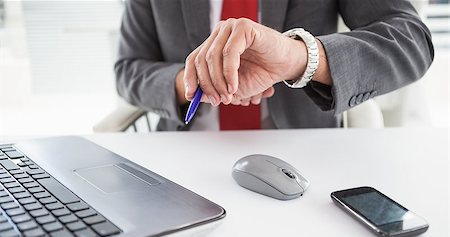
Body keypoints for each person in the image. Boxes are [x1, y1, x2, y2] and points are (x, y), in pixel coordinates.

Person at [115, 0, 434, 131]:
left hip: (304, 157)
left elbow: (410, 39)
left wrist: (300, 58)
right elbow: (128, 69)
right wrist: (193, 80)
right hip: (186, 155)